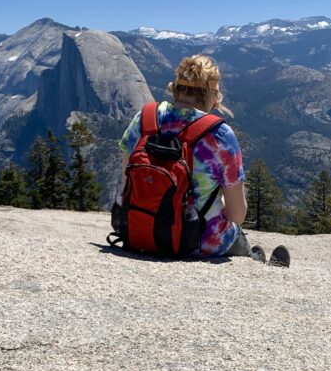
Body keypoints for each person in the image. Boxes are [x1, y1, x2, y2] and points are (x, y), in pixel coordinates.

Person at [118, 55, 289, 265]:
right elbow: (237, 215)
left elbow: (127, 183)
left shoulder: (144, 118)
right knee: (234, 234)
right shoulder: (219, 134)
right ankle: (258, 264)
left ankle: (254, 258)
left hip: (138, 231)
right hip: (199, 244)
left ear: (175, 88)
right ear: (212, 95)